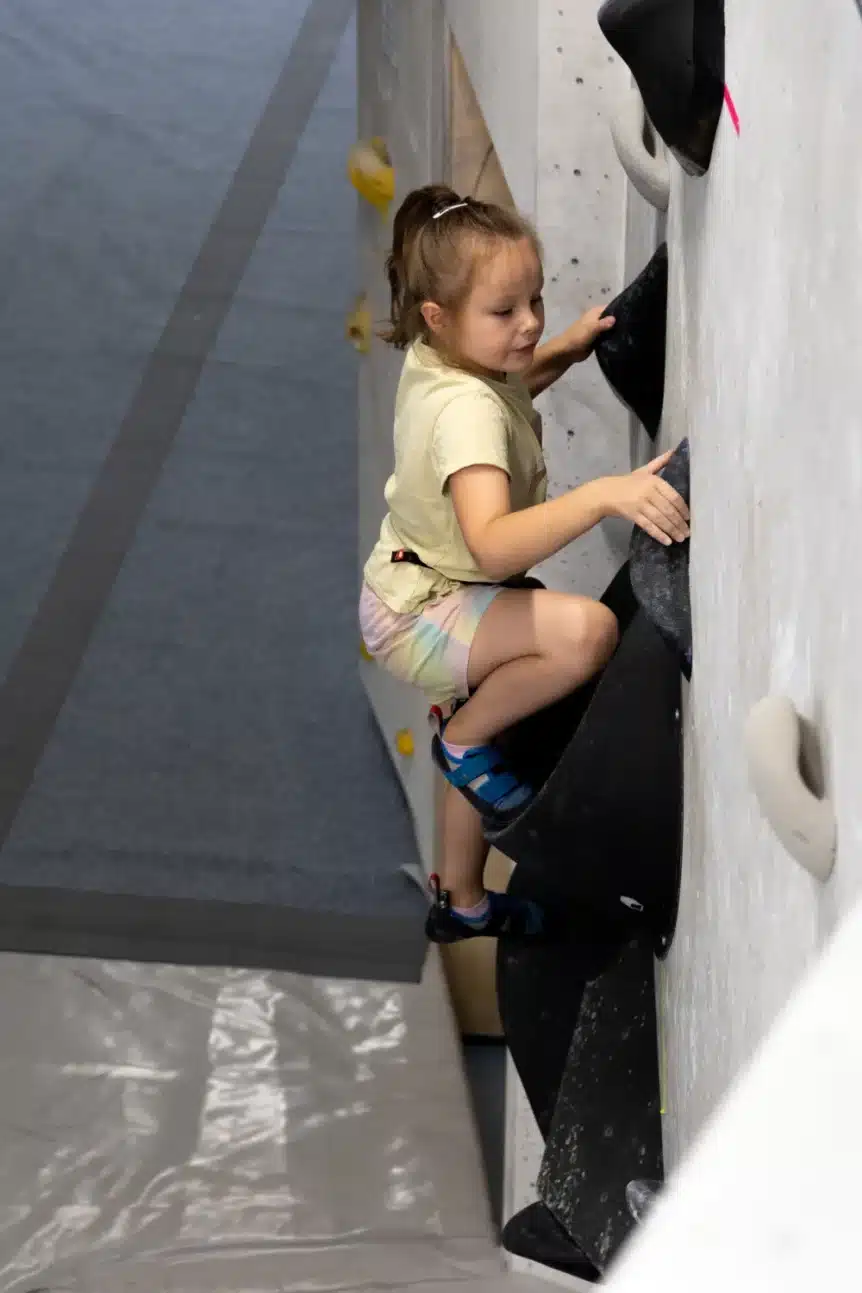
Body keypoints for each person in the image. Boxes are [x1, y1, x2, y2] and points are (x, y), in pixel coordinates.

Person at [359, 185, 689, 944]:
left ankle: (462, 901)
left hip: (407, 584)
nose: (530, 322)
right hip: (426, 610)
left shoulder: (442, 359)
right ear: (439, 315)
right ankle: (465, 742)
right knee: (584, 636)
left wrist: (563, 351)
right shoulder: (465, 414)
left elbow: (504, 388)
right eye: (505, 312)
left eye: (534, 299)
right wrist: (603, 495)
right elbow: (494, 544)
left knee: (493, 717)